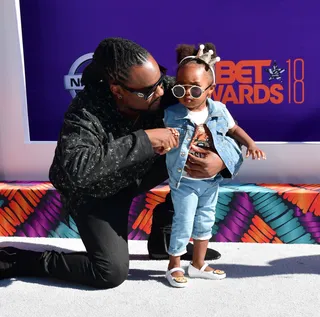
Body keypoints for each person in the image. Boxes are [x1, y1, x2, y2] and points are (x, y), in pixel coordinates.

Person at [0, 38, 228, 289]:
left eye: (161, 80)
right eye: (150, 90)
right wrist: (146, 139)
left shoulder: (162, 90)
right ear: (118, 90)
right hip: (96, 193)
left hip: (138, 174)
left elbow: (222, 122)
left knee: (191, 149)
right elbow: (78, 170)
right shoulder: (85, 111)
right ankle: (18, 260)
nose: (162, 92)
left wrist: (220, 159)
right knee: (109, 273)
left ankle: (165, 236)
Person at [164, 43, 266, 288]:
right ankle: (174, 265)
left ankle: (198, 264)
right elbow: (163, 137)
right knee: (183, 221)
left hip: (211, 181)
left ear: (210, 90)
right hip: (184, 181)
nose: (187, 94)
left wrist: (250, 143)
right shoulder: (171, 112)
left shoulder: (219, 110)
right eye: (181, 88)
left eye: (196, 90)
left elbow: (233, 129)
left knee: (206, 220)